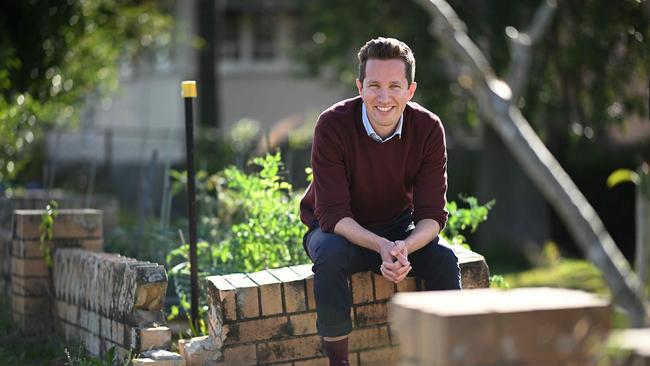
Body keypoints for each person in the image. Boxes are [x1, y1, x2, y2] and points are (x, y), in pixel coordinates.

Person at [299, 37, 461, 366]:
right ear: (360, 86)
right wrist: (381, 245)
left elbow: (432, 216)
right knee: (328, 256)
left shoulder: (428, 128)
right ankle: (339, 362)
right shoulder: (332, 124)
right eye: (374, 85)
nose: (383, 97)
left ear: (410, 90)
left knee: (445, 260)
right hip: (338, 232)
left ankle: (442, 358)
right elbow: (332, 215)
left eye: (394, 86)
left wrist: (402, 246)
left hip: (398, 227)